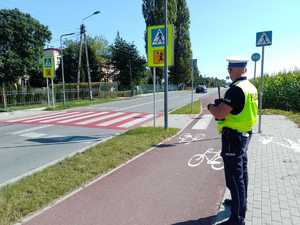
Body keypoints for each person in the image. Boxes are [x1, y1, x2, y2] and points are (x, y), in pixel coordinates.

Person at [208, 57, 258, 225]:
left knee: (234, 178)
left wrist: (211, 107)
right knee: (242, 173)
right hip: (245, 135)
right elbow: (239, 108)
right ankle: (240, 204)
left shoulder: (236, 89)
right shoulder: (250, 87)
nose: (228, 72)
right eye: (228, 69)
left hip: (233, 138)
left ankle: (237, 219)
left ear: (240, 70)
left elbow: (220, 114)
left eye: (230, 69)